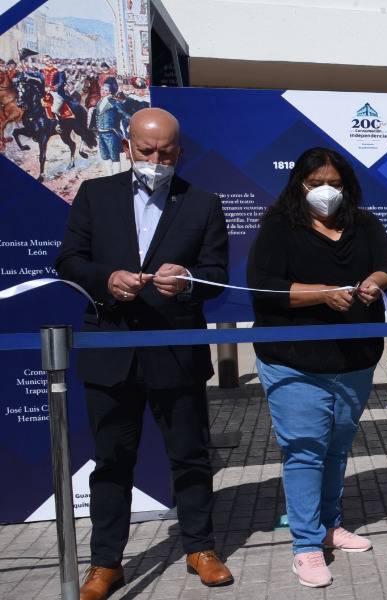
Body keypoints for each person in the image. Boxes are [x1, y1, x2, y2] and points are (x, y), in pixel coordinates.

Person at [55, 108, 232, 599]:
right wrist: (106, 279)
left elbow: (217, 273)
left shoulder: (202, 203)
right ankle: (106, 563)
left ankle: (200, 547)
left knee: (190, 455)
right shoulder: (94, 195)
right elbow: (69, 260)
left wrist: (189, 280)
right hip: (111, 347)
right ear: (127, 146)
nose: (156, 160)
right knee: (112, 460)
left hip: (175, 349)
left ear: (181, 152)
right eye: (147, 150)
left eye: (167, 153)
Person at [246, 147, 387, 588]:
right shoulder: (279, 225)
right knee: (305, 449)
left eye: (334, 183)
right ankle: (306, 545)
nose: (326, 191)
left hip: (354, 360)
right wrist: (322, 294)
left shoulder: (365, 223)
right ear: (299, 185)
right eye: (316, 184)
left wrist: (374, 284)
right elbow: (263, 287)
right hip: (293, 360)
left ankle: (330, 524)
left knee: (337, 447)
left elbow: (386, 268)